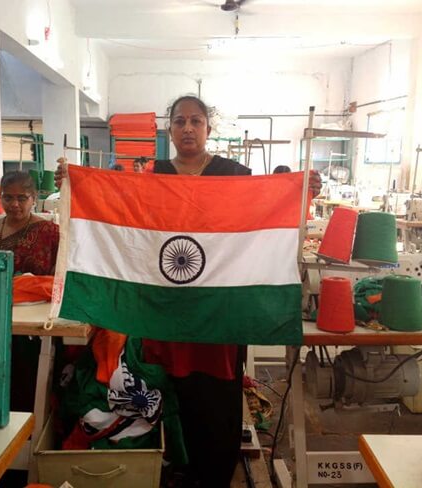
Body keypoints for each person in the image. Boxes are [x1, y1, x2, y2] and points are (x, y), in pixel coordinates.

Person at [55, 95, 321, 487]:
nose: (188, 128)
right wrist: (75, 184)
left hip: (219, 308)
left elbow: (264, 217)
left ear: (208, 129)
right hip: (167, 307)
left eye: (196, 121)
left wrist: (303, 192)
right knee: (171, 395)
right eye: (180, 121)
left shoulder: (234, 174)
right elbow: (124, 217)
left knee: (217, 400)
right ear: (169, 130)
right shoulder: (154, 176)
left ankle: (214, 475)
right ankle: (180, 467)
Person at [0, 170, 60, 411]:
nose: (14, 204)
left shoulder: (49, 232)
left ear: (34, 198)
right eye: (7, 197)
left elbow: (57, 279)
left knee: (26, 372)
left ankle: (26, 419)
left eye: (22, 198)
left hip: (35, 322)